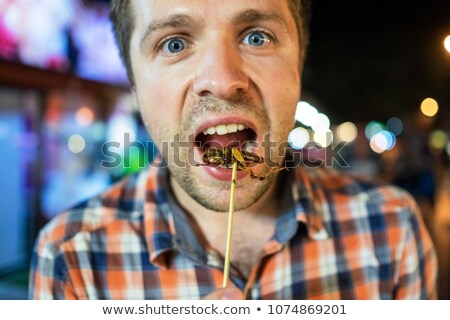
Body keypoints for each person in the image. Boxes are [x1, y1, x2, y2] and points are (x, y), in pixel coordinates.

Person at [29, 0, 437, 300]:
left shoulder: (392, 226)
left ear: (298, 66)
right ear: (134, 84)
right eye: (173, 44)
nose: (222, 80)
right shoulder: (71, 255)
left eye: (256, 37)